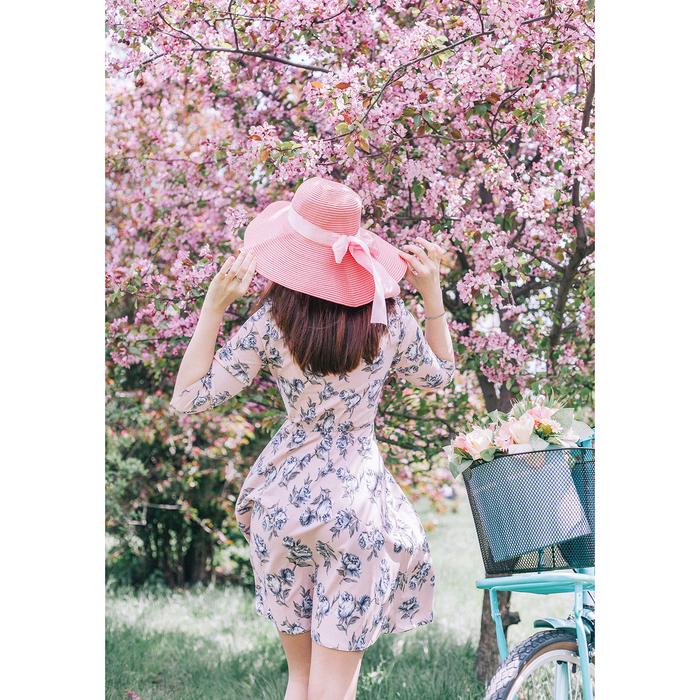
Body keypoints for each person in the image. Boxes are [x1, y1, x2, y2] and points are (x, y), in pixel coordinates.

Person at [170, 177, 455, 700]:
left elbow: (189, 396)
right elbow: (440, 377)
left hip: (283, 504)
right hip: (355, 507)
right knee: (332, 691)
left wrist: (213, 309)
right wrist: (432, 295)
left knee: (300, 682)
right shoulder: (388, 319)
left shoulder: (273, 322)